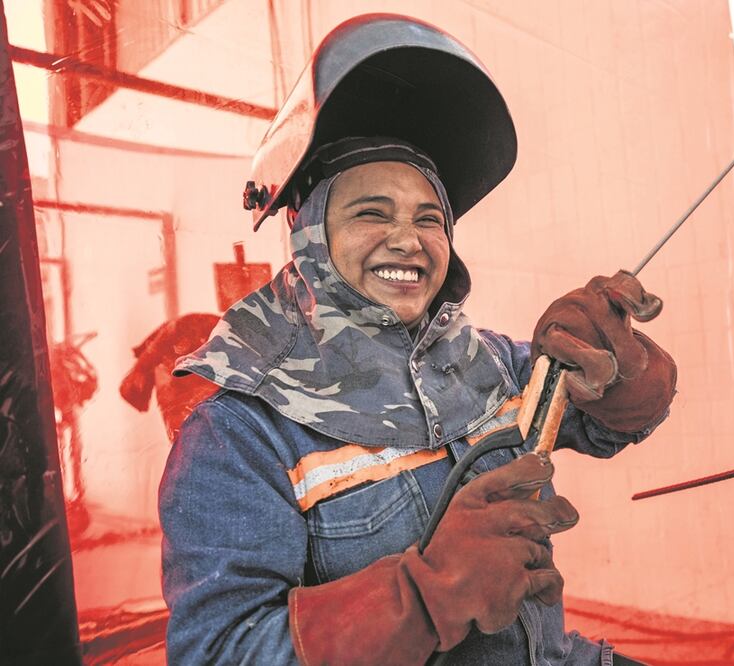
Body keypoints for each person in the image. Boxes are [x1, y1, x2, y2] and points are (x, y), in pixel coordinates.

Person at [158, 15, 677, 666]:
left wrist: (623, 370)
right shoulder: (242, 435)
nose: (409, 240)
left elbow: (607, 427)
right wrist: (420, 596)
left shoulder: (483, 363)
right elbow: (219, 654)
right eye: (371, 212)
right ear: (310, 234)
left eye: (428, 218)